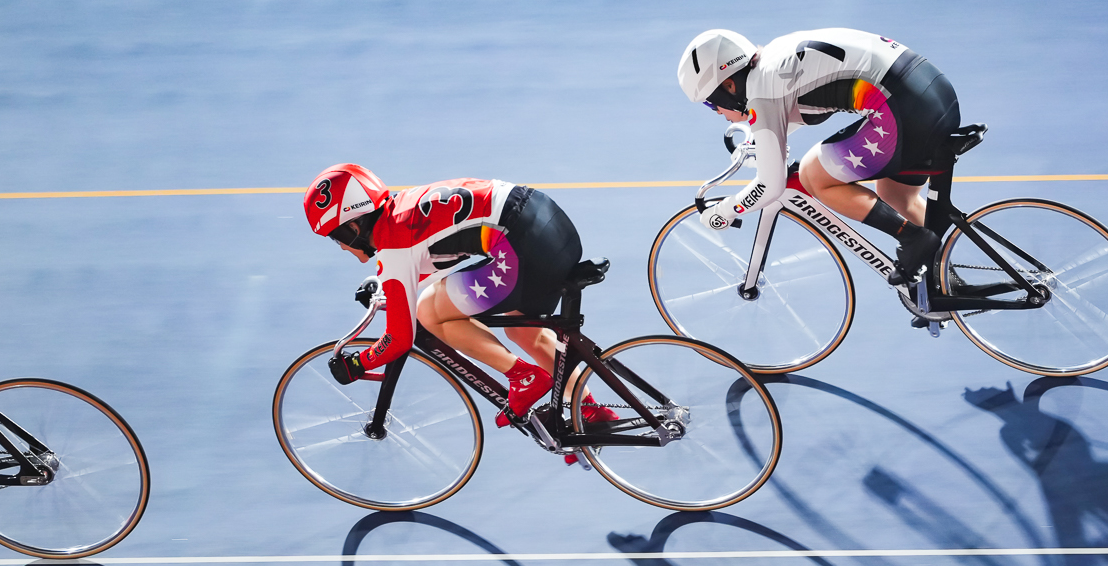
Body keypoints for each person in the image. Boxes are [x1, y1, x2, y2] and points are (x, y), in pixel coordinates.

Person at [302, 164, 606, 421]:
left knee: (430, 310)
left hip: (521, 245)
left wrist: (359, 363)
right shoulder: (404, 207)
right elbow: (430, 256)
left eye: (336, 236)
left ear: (353, 227)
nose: (341, 246)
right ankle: (592, 412)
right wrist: (387, 287)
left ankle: (523, 377)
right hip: (547, 221)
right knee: (525, 333)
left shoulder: (392, 244)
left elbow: (398, 340)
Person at [676, 28, 960, 285]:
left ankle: (911, 238)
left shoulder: (762, 93)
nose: (719, 114)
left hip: (904, 112)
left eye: (711, 104)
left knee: (814, 174)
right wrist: (758, 141)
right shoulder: (774, 58)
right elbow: (796, 111)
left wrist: (725, 211)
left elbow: (770, 185)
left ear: (729, 86)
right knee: (897, 197)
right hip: (932, 93)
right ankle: (945, 283)